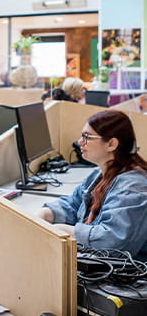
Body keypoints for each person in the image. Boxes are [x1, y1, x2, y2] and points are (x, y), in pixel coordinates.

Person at [37, 109, 147, 260]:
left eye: (87, 137)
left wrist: (64, 230)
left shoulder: (132, 187)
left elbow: (114, 241)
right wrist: (44, 214)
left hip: (124, 275)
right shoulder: (99, 173)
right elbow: (74, 204)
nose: (80, 142)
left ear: (111, 144)